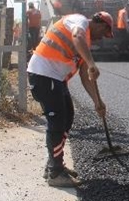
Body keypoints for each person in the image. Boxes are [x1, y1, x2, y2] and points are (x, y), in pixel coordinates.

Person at [27, 11, 114, 187]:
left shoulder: (85, 43)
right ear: (100, 24)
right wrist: (91, 63)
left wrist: (97, 101)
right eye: (103, 33)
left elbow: (84, 75)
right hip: (43, 74)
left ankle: (54, 164)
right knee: (57, 122)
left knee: (67, 118)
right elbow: (76, 36)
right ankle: (55, 173)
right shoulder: (79, 22)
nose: (101, 38)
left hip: (55, 79)